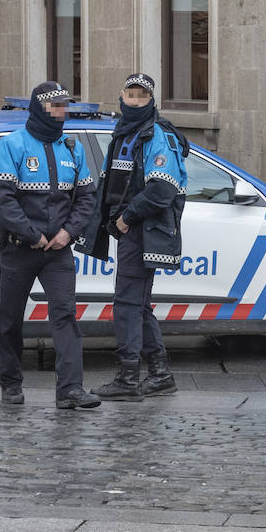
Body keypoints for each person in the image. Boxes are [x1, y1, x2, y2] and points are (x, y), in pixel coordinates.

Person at [0, 81, 101, 409]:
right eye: (55, 107)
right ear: (40, 108)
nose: (61, 113)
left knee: (65, 316)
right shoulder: (13, 145)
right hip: (19, 249)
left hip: (58, 251)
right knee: (10, 318)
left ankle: (70, 390)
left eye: (64, 106)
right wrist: (32, 235)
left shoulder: (72, 148)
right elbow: (1, 199)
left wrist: (67, 232)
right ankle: (10, 384)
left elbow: (86, 197)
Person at [81, 74, 189, 401]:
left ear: (151, 99)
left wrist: (126, 219)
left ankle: (128, 380)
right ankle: (160, 375)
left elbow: (161, 190)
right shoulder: (125, 133)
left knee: (127, 304)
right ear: (122, 97)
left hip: (143, 230)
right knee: (138, 305)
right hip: (132, 230)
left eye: (142, 96)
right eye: (131, 94)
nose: (136, 100)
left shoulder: (155, 135)